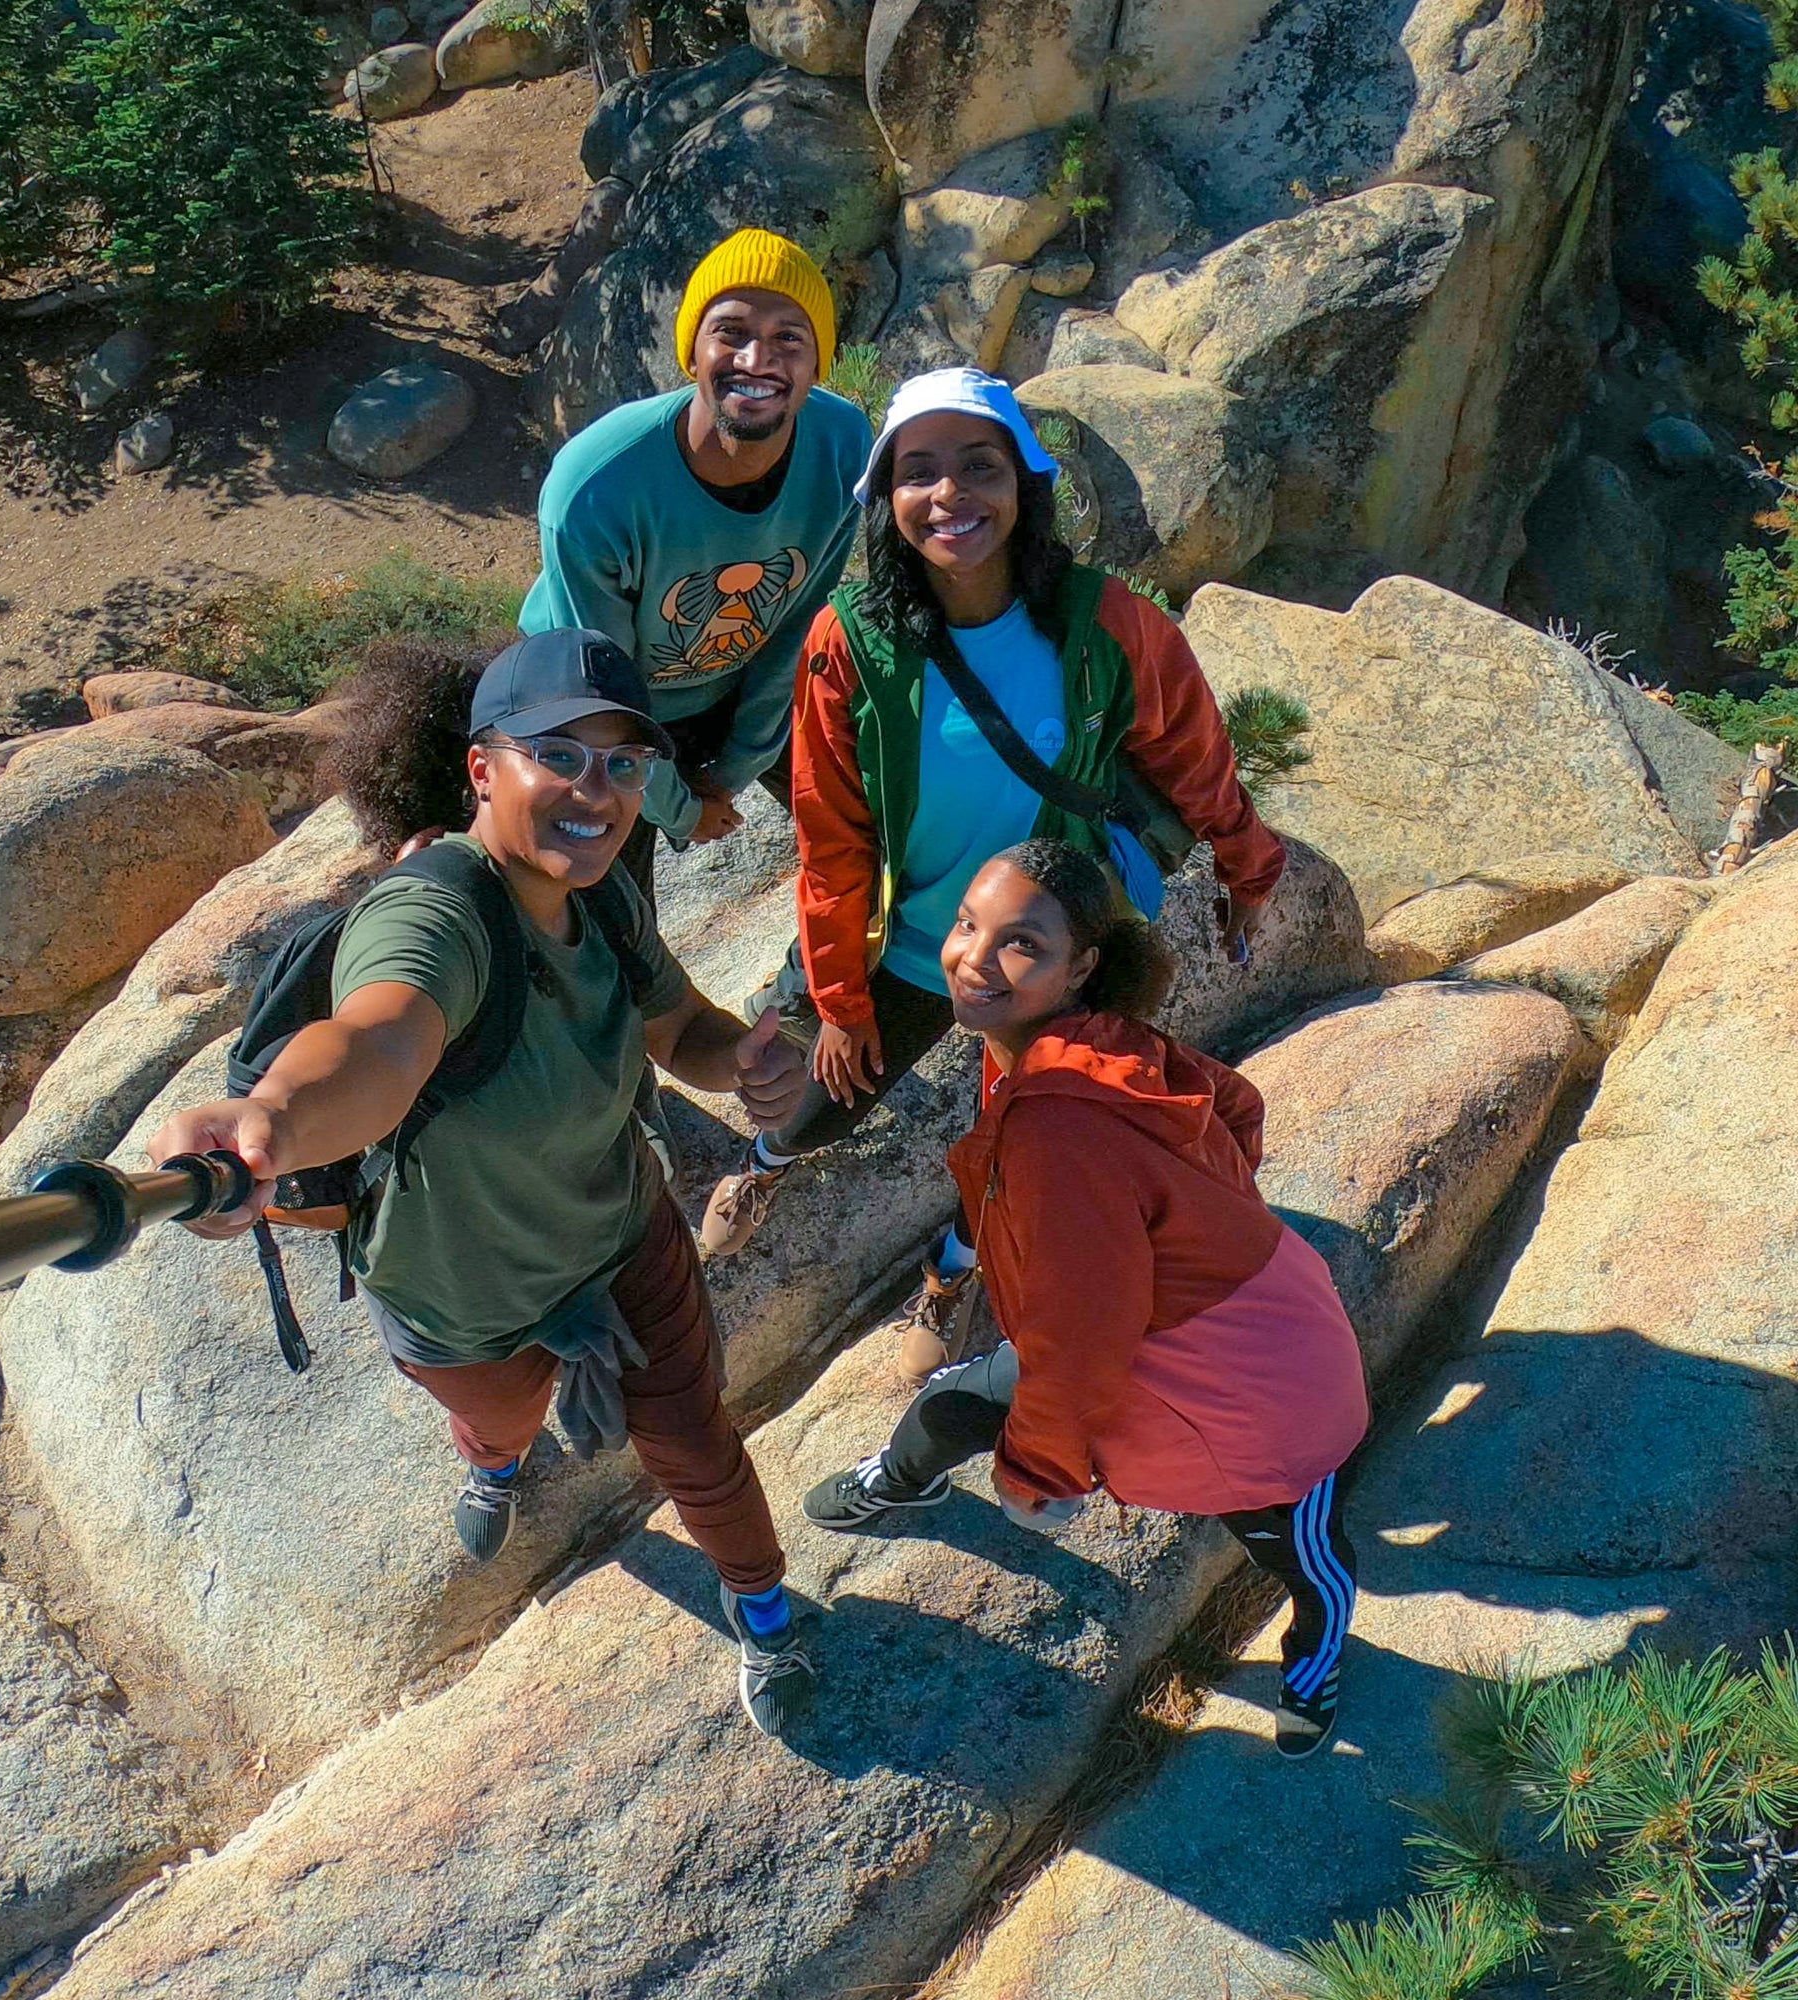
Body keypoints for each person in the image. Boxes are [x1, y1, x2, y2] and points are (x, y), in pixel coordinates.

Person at [146, 628, 818, 1736]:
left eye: (623, 762)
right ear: (481, 768)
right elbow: (380, 1040)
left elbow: (679, 1026)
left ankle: (762, 1605)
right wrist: (274, 1117)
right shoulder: (434, 912)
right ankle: (497, 1463)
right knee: (499, 1421)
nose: (596, 789)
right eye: (558, 753)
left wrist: (739, 1059)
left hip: (621, 1236)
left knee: (698, 1447)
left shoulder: (601, 900)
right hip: (461, 1294)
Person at [698, 366, 1288, 1389]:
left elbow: (1193, 752)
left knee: (1025, 1135)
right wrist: (839, 999)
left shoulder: (1105, 622)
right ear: (884, 498)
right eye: (918, 471)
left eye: (979, 466)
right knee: (819, 1097)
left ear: (1024, 484)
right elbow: (831, 834)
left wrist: (1248, 862)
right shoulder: (854, 640)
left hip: (1042, 950)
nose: (950, 494)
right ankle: (765, 1164)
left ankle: (954, 1266)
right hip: (911, 934)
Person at [802, 839, 1369, 1758]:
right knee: (952, 1405)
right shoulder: (1075, 1041)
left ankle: (1316, 1649)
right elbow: (1233, 1106)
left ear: (1081, 967)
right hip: (1164, 1326)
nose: (975, 958)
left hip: (1257, 1385)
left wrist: (1039, 1474)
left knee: (1301, 1546)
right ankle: (900, 1479)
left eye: (1021, 944)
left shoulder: (1060, 1117)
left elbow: (1079, 1341)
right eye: (968, 925)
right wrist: (1194, 1215)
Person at [519, 227, 871, 907]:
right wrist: (680, 808)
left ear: (817, 363)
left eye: (788, 338)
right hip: (590, 704)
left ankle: (832, 973)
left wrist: (736, 768)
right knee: (602, 919)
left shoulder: (841, 444)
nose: (757, 359)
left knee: (878, 819)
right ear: (692, 351)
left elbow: (798, 624)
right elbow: (602, 688)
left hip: (737, 688)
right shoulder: (597, 487)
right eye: (730, 332)